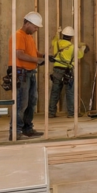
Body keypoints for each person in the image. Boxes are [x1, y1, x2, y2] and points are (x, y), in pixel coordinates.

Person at [10, 11, 46, 140]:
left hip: (30, 73)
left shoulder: (29, 36)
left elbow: (34, 53)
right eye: (35, 27)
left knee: (31, 102)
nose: (36, 29)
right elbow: (19, 54)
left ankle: (27, 128)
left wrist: (44, 56)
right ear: (27, 23)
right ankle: (16, 131)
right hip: (21, 73)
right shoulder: (18, 35)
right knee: (21, 103)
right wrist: (37, 60)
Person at [49, 26, 88, 118]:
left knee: (55, 91)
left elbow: (54, 40)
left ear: (63, 35)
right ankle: (71, 113)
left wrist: (57, 33)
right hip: (67, 72)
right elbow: (80, 55)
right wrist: (82, 48)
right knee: (70, 92)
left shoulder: (57, 44)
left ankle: (51, 113)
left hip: (57, 70)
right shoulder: (73, 47)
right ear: (71, 37)